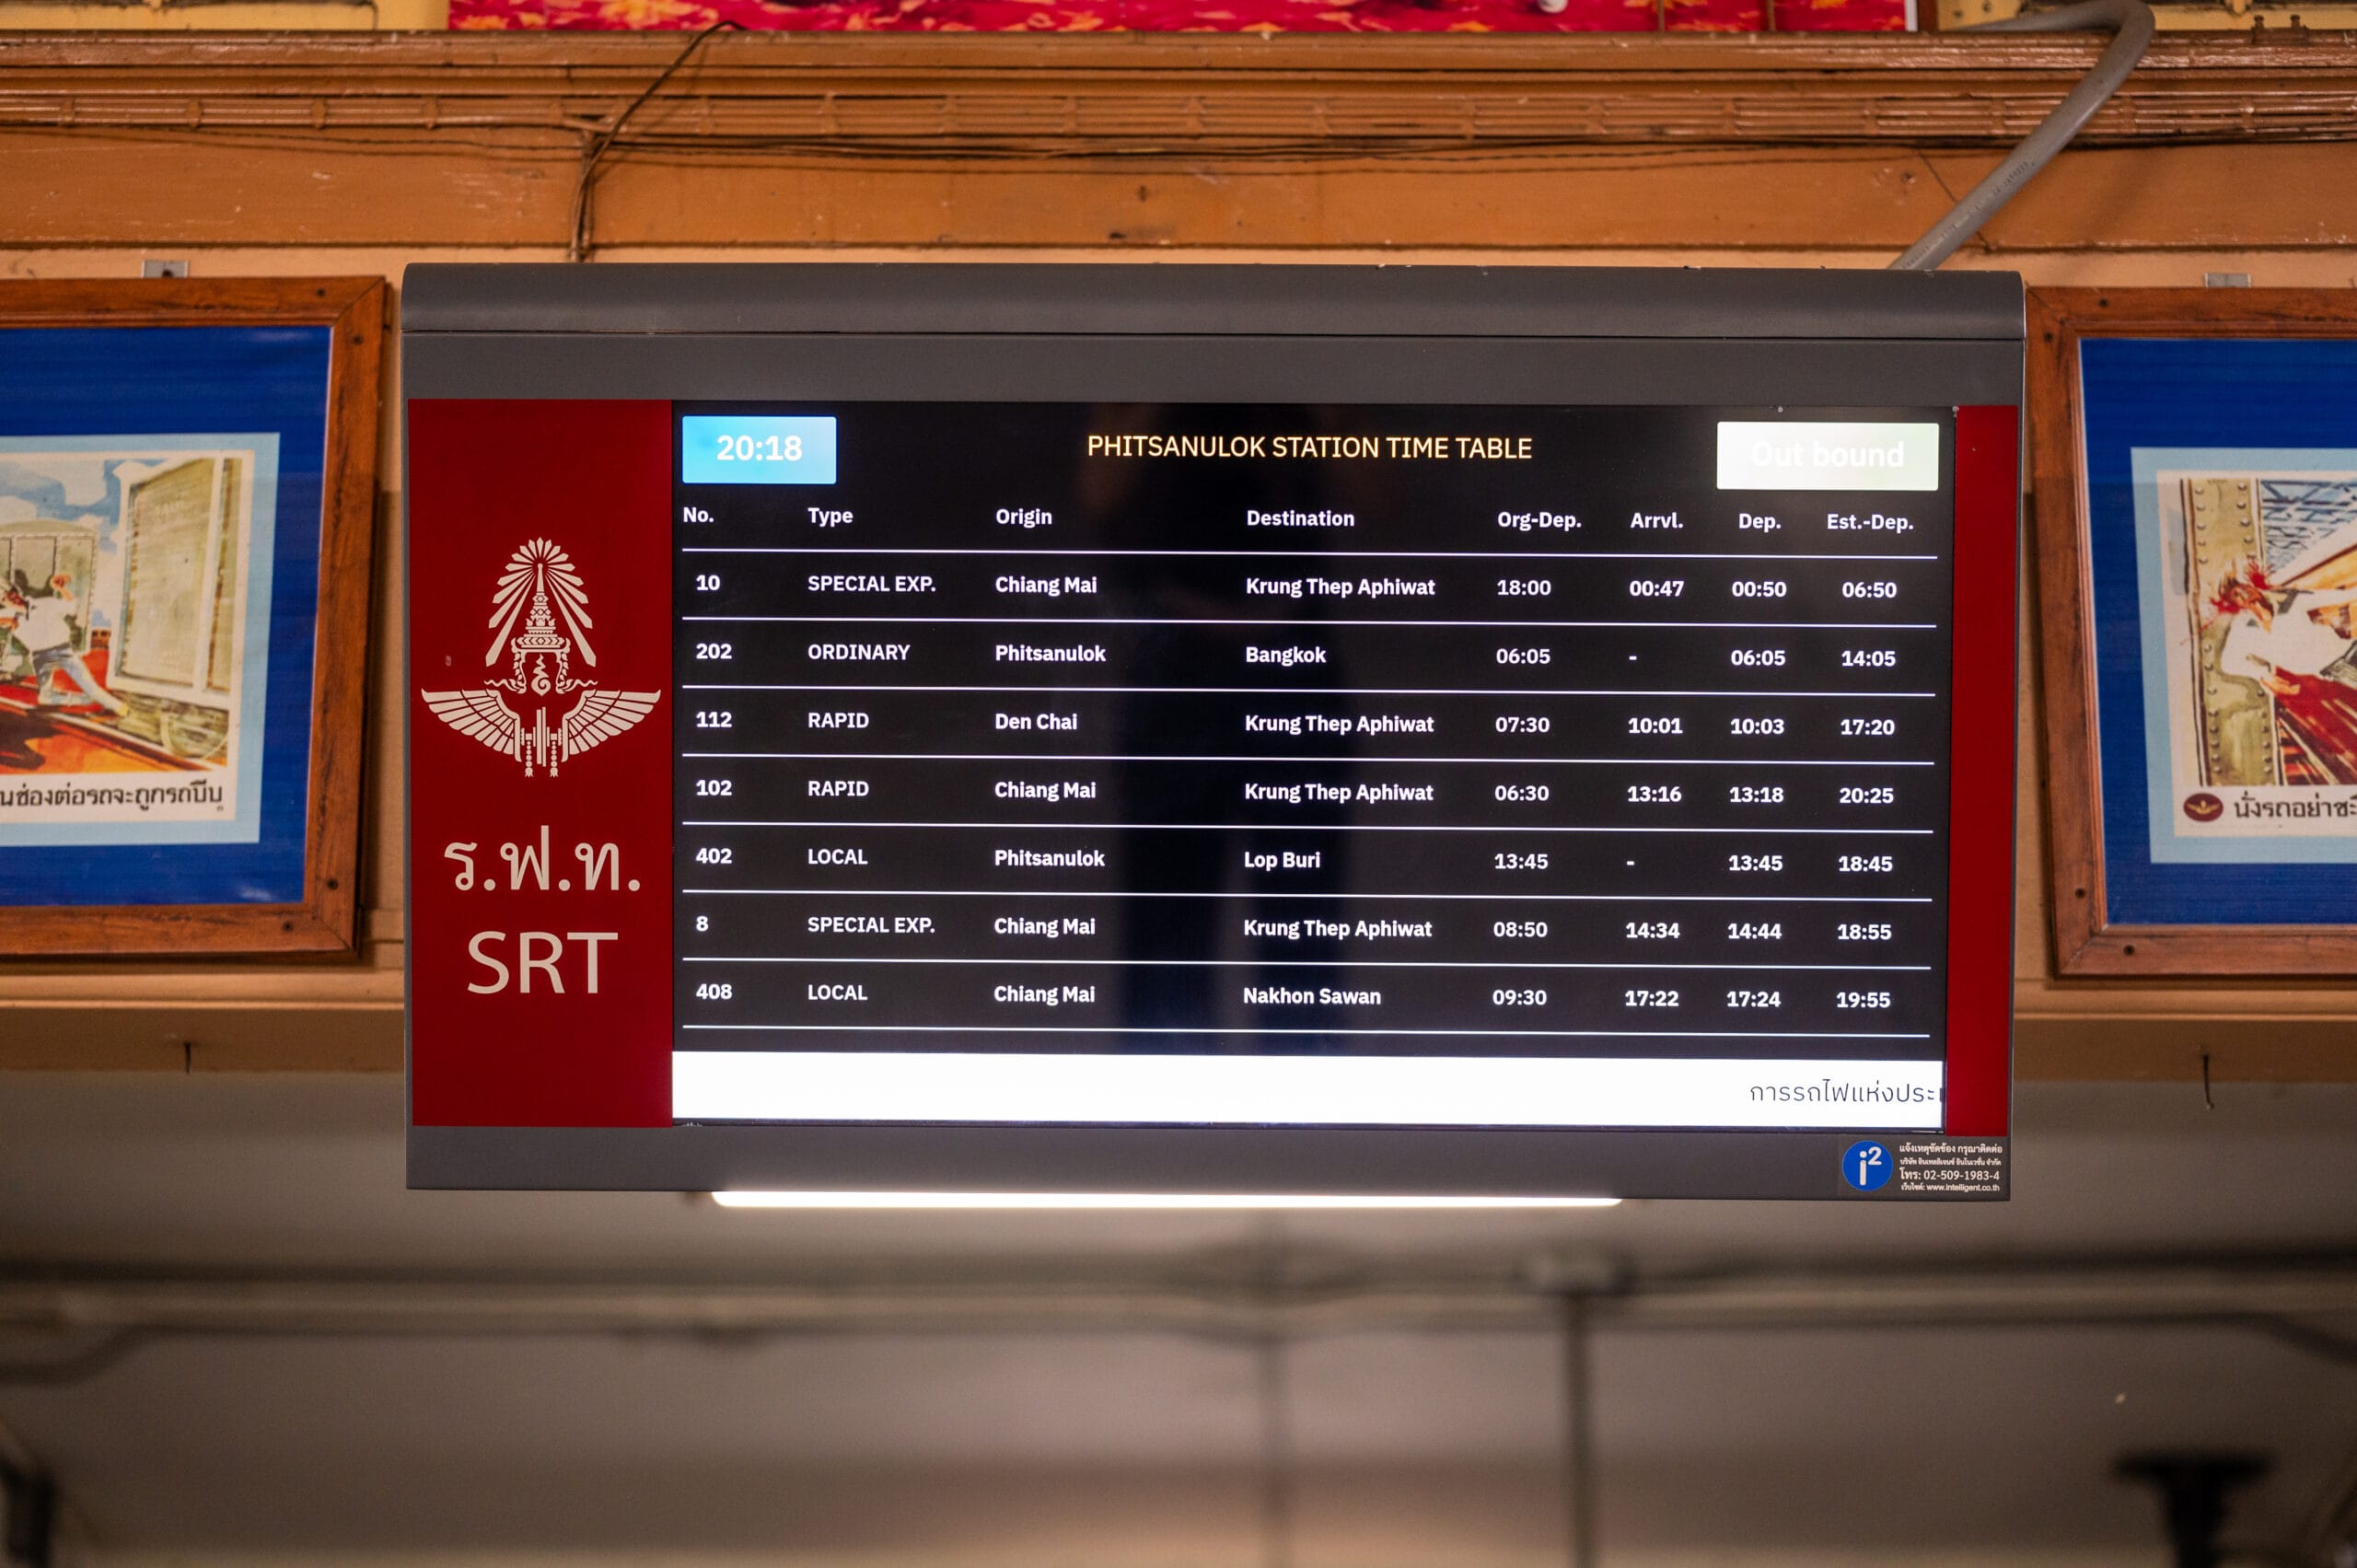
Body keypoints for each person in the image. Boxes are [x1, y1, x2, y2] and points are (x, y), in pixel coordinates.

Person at [2213, 563, 2357, 784]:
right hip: (2333, 668)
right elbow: (2228, 663)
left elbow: (2337, 596)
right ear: (2235, 604)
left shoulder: (2290, 599)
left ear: (2253, 586)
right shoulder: (2242, 630)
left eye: (2244, 588)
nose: (2244, 595)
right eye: (2236, 596)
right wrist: (2262, 674)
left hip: (2348, 653)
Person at [8, 572, 126, 717]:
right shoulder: (11, 619)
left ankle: (121, 708)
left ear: (18, 593)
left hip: (63, 651)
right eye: (6, 599)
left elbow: (71, 607)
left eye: (12, 595)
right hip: (41, 657)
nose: (12, 600)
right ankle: (84, 700)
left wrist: (61, 589)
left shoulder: (44, 603)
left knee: (91, 687)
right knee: (45, 697)